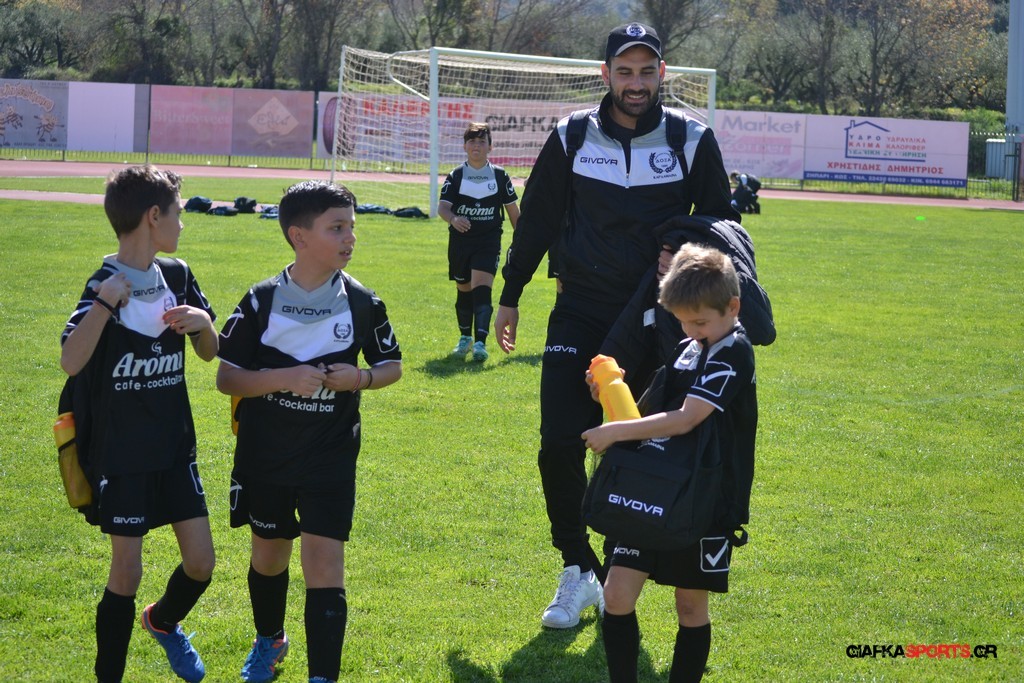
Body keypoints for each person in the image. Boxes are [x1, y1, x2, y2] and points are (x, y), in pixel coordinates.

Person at [492, 21, 738, 629]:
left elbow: (721, 224)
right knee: (559, 441)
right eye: (624, 71)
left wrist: (678, 247)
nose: (636, 83)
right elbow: (538, 219)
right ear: (605, 74)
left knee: (642, 445)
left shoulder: (691, 138)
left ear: (662, 74)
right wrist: (511, 293)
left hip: (660, 319)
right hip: (579, 307)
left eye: (646, 71)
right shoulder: (572, 135)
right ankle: (578, 567)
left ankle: (625, 573)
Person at [216, 180, 402, 683]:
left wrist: (360, 378)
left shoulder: (362, 301)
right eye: (336, 228)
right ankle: (269, 640)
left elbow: (392, 366)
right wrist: (285, 378)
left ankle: (323, 676)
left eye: (352, 227)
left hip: (330, 456)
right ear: (298, 236)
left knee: (324, 564)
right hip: (266, 454)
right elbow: (227, 378)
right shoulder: (261, 300)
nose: (350, 238)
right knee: (269, 555)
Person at [59, 165, 218, 683]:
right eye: (178, 213)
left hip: (174, 446)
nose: (182, 223)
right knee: (126, 572)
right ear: (154, 216)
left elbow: (210, 352)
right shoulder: (103, 283)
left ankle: (163, 620)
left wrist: (203, 325)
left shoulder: (178, 274)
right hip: (123, 454)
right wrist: (106, 303)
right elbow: (71, 360)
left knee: (201, 563)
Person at [582, 244, 757, 683]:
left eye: (700, 322)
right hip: (652, 486)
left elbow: (686, 419)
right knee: (616, 594)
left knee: (690, 605)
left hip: (704, 497)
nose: (691, 330)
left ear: (732, 307)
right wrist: (610, 397)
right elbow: (648, 415)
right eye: (682, 320)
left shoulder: (734, 351)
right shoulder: (687, 346)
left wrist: (614, 434)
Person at [437, 122, 520, 362]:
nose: (476, 146)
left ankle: (481, 343)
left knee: (482, 288)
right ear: (464, 146)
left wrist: (523, 240)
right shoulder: (456, 176)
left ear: (490, 147)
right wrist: (453, 219)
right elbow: (443, 208)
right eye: (472, 141)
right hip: (460, 243)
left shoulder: (500, 176)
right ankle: (465, 337)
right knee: (464, 289)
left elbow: (513, 212)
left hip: (488, 241)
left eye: (482, 141)